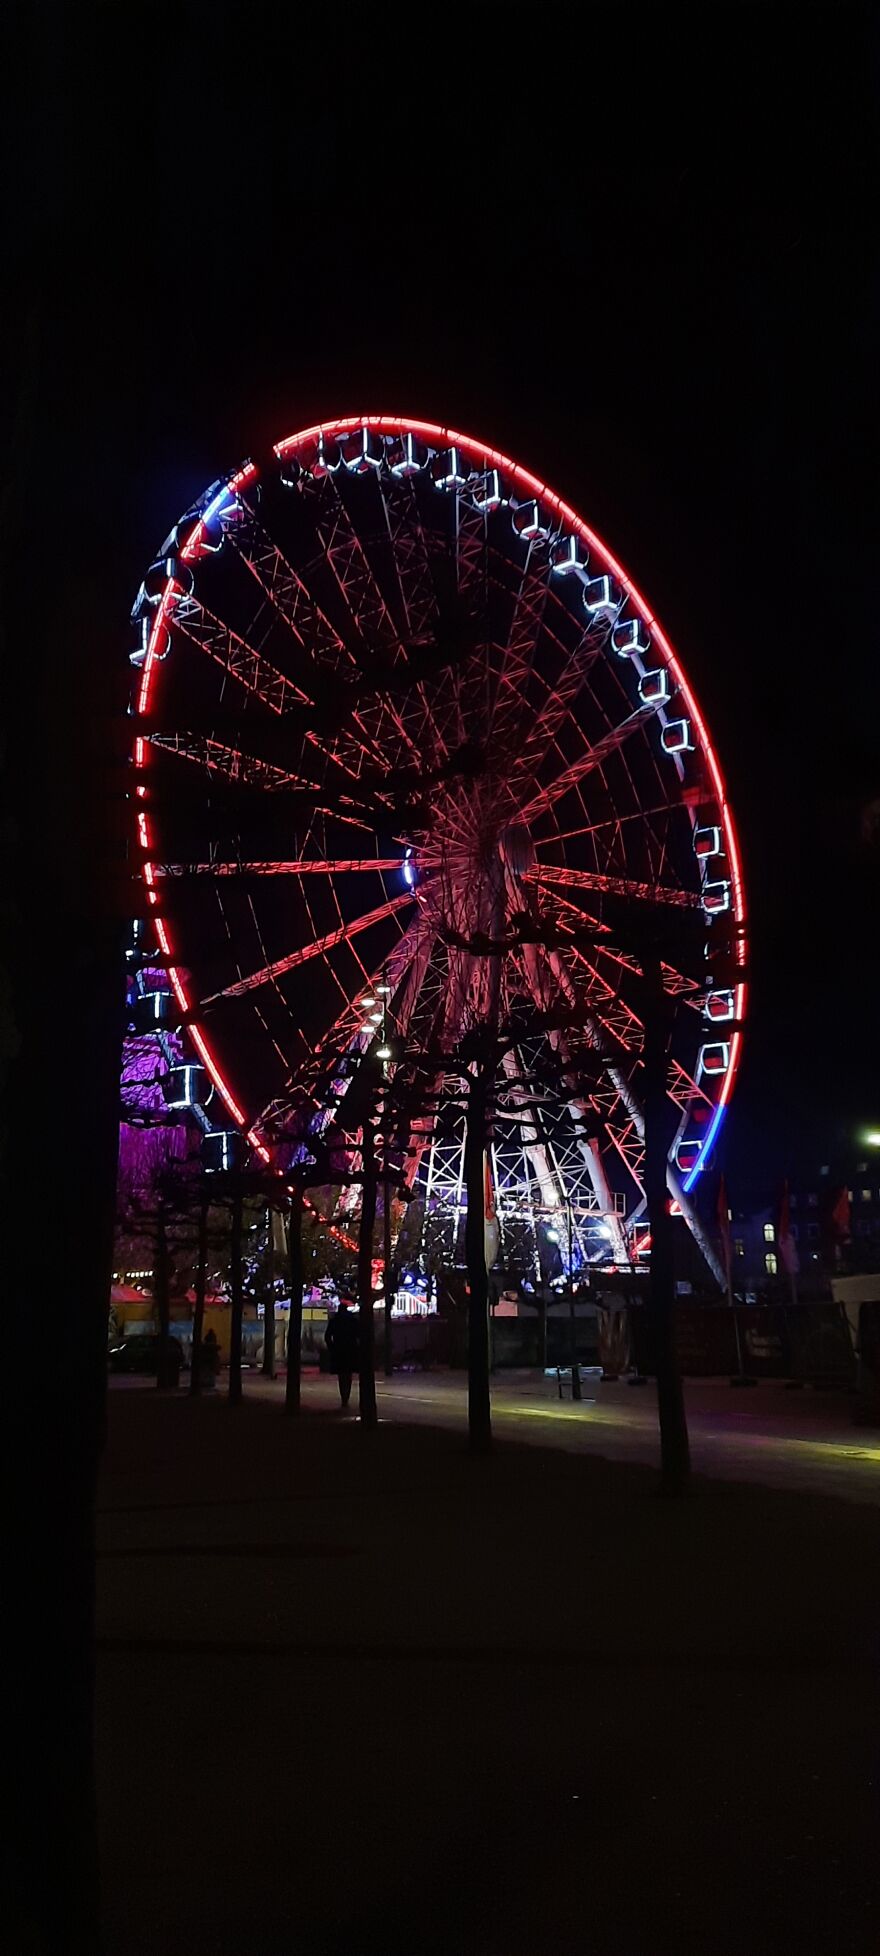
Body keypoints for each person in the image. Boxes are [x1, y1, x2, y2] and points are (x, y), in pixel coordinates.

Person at [325, 1297, 360, 1408]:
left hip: (339, 1350)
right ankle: (346, 1397)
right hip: (350, 1350)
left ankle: (344, 1398)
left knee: (342, 1376)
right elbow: (359, 1335)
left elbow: (327, 1336)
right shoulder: (353, 1321)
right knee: (348, 1375)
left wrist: (332, 1347)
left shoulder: (335, 1321)